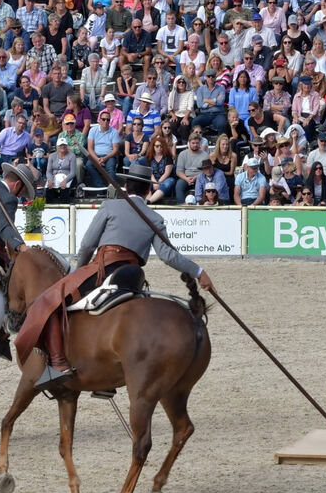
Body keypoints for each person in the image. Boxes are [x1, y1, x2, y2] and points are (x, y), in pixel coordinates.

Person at [15, 164, 215, 393]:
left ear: (126, 186)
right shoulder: (154, 217)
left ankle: (58, 363)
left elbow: (88, 245)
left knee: (49, 301)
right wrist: (198, 272)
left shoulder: (110, 206)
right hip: (132, 277)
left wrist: (77, 272)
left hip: (103, 268)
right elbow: (169, 256)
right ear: (147, 191)